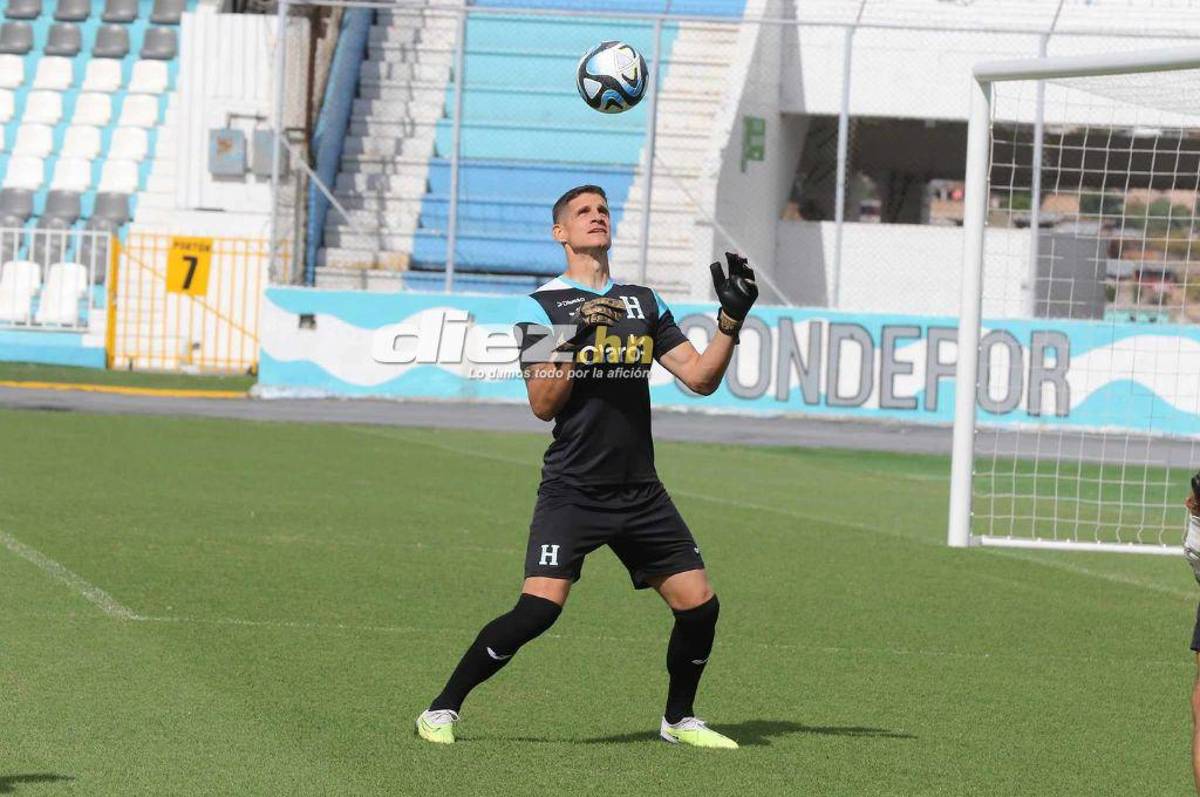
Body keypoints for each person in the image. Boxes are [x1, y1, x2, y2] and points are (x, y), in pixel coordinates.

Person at [415, 184, 758, 748]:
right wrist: (577, 334)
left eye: (603, 210)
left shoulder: (643, 303)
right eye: (583, 212)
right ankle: (441, 709)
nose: (597, 217)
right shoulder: (542, 307)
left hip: (641, 491)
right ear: (561, 233)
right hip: (574, 490)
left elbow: (699, 379)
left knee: (700, 606)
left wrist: (728, 321)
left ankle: (679, 720)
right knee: (537, 612)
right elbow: (542, 404)